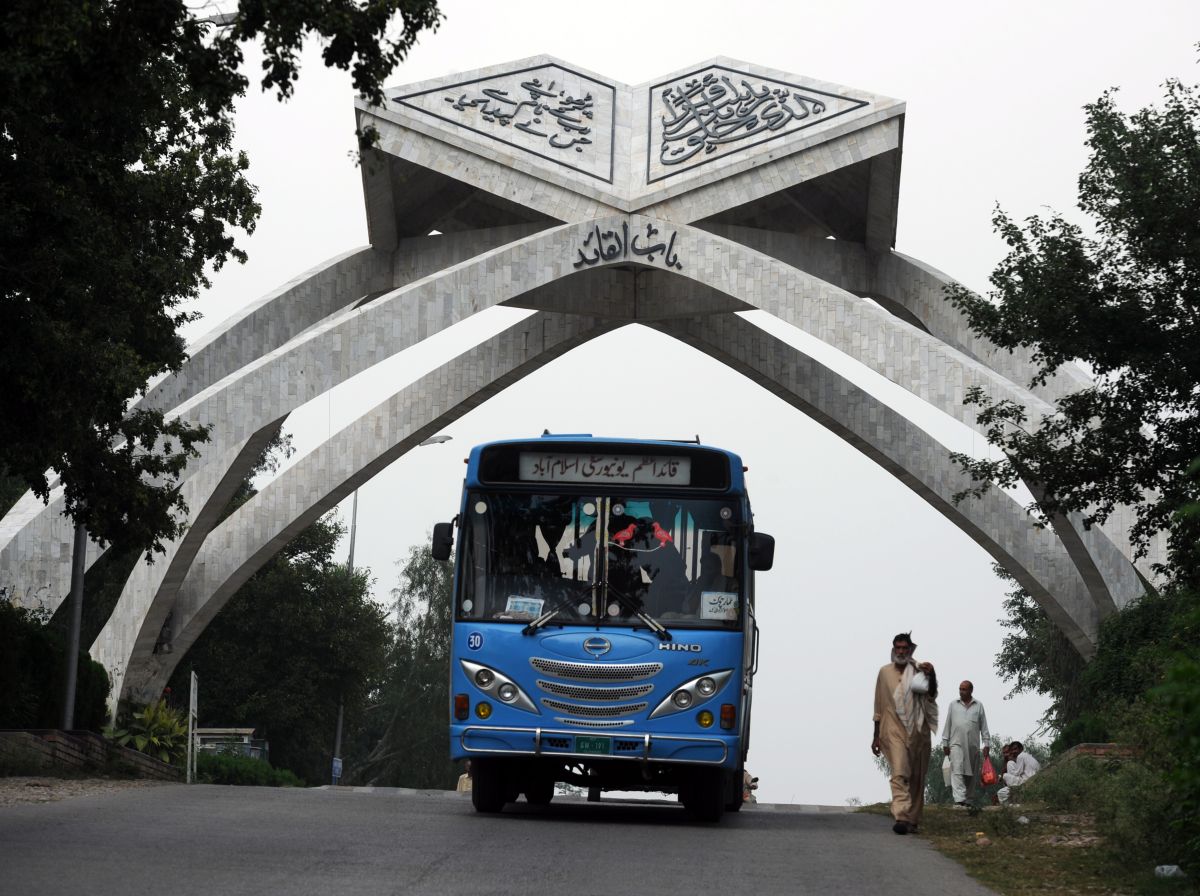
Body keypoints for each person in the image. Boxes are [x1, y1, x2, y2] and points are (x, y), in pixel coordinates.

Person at [872, 632, 939, 835]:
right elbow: (878, 705)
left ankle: (913, 819)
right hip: (892, 729)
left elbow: (932, 694)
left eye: (904, 648)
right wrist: (875, 735)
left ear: (910, 650)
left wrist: (932, 675)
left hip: (918, 730)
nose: (901, 651)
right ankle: (901, 815)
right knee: (900, 771)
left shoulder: (920, 670)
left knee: (917, 776)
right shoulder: (884, 672)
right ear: (893, 649)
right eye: (897, 648)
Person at [941, 680, 991, 807]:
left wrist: (987, 744)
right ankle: (959, 799)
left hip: (973, 746)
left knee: (971, 774)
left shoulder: (978, 705)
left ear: (971, 691)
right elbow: (948, 724)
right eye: (960, 689)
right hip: (955, 743)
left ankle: (968, 799)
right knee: (957, 769)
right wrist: (945, 743)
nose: (961, 692)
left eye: (964, 689)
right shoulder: (953, 704)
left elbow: (984, 726)